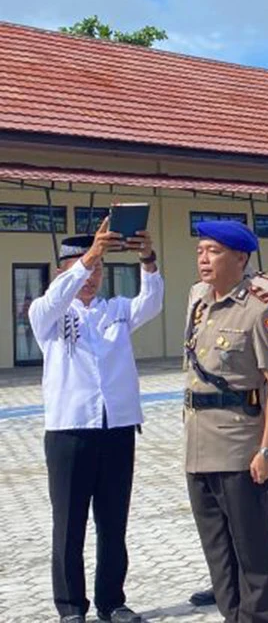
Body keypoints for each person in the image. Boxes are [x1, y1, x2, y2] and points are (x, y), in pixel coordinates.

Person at [31, 221, 162, 623]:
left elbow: (152, 301)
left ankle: (112, 601)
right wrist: (89, 258)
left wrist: (147, 258)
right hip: (70, 432)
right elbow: (57, 298)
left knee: (113, 522)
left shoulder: (116, 310)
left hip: (117, 428)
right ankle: (71, 607)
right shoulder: (47, 313)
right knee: (69, 525)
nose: (91, 278)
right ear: (63, 272)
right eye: (84, 270)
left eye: (98, 270)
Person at [184, 220, 268, 623]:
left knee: (254, 555)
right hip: (199, 444)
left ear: (241, 258)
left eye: (214, 251)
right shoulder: (198, 301)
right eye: (201, 250)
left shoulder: (263, 309)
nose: (204, 259)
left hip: (239, 446)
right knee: (218, 554)